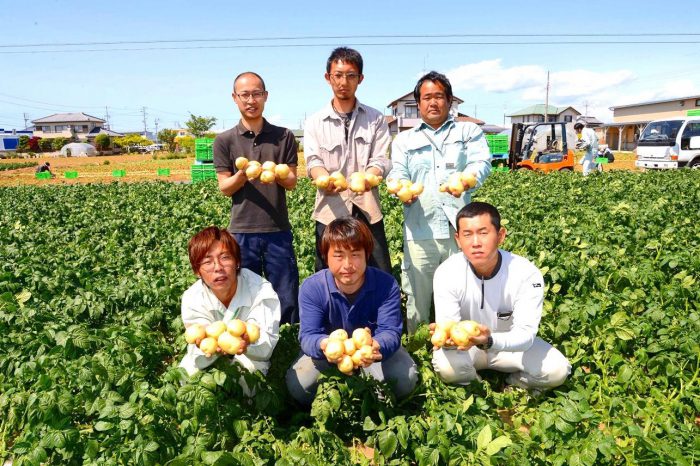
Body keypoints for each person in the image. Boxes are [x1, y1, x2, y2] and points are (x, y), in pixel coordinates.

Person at [388, 71, 491, 334]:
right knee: (417, 300)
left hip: (460, 233)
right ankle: (418, 353)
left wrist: (468, 179)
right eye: (426, 97)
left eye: (439, 96)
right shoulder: (404, 140)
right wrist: (400, 188)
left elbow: (481, 162)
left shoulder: (468, 131)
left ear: (449, 101)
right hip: (420, 230)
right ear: (418, 103)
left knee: (462, 295)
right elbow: (398, 173)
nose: (433, 102)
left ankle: (461, 351)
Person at [431, 202, 571, 391]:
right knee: (447, 368)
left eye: (483, 232)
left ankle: (513, 384)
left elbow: (526, 335)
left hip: (510, 347)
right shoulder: (447, 272)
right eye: (467, 234)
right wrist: (447, 338)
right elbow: (450, 326)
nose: (475, 242)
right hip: (468, 348)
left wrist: (489, 340)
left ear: (500, 235)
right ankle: (478, 388)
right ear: (457, 239)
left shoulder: (525, 272)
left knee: (557, 370)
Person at [285, 217, 417, 406]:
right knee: (300, 386)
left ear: (367, 255)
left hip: (372, 354)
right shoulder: (312, 287)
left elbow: (390, 332)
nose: (347, 264)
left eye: (355, 254)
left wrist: (375, 346)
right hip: (328, 356)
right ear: (326, 256)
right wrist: (324, 345)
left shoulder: (386, 285)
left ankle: (366, 390)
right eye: (338, 255)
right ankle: (358, 391)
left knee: (405, 379)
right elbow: (308, 335)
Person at [213, 71, 300, 324]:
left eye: (256, 94)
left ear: (265, 96)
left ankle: (287, 343)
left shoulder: (284, 136)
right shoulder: (224, 141)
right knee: (244, 294)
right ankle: (252, 345)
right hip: (241, 231)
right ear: (235, 98)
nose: (251, 100)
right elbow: (225, 187)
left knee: (285, 292)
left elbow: (292, 181)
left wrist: (276, 175)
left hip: (277, 228)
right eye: (245, 95)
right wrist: (243, 175)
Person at [304, 47, 393, 274]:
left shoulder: (375, 119)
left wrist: (369, 177)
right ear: (328, 78)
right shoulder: (315, 121)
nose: (344, 82)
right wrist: (323, 178)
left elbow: (381, 159)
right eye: (338, 75)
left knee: (378, 271)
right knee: (328, 273)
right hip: (329, 210)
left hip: (367, 210)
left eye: (351, 75)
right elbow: (313, 160)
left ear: (360, 79)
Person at [179, 226, 281, 377]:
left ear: (237, 262)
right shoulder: (192, 297)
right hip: (207, 358)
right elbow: (200, 342)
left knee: (245, 380)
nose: (218, 267)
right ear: (197, 271)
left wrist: (247, 345)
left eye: (225, 257)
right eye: (207, 261)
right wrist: (209, 347)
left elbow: (266, 344)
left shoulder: (260, 290)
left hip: (249, 357)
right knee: (187, 375)